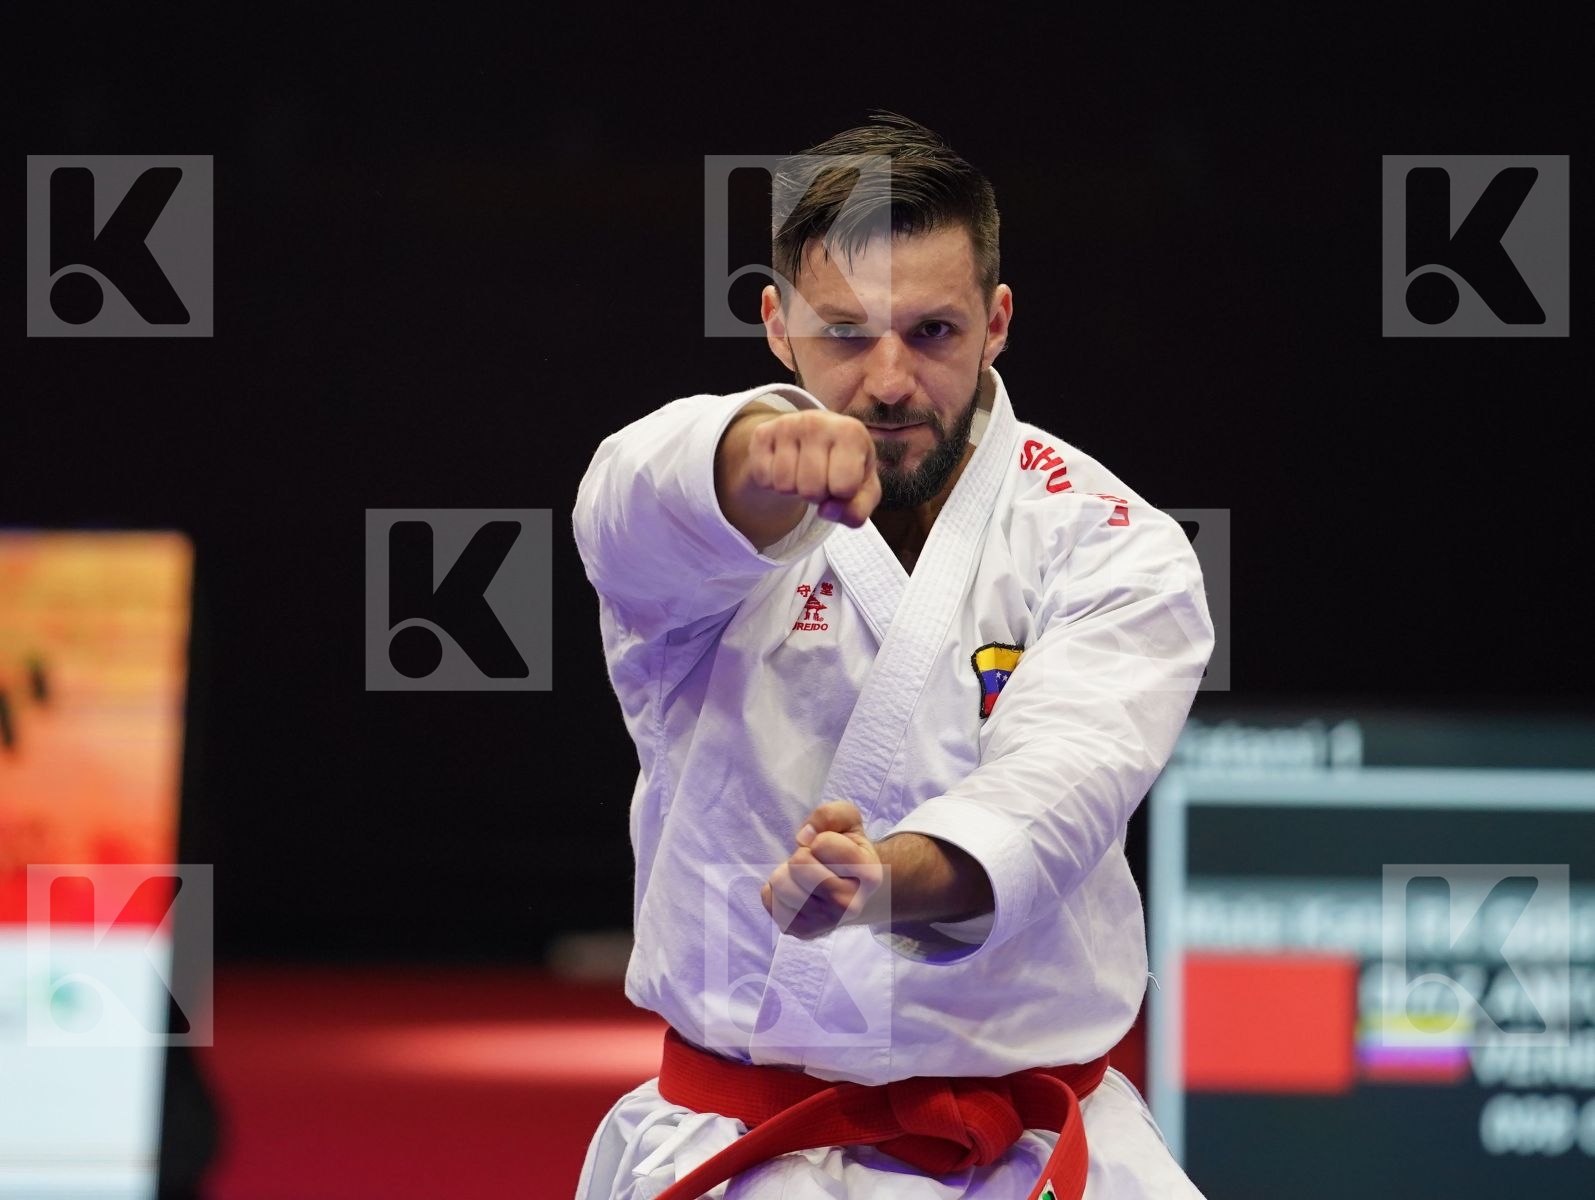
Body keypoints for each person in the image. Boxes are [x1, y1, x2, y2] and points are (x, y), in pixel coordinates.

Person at [572, 112, 1213, 1199]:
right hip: (746, 1141)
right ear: (775, 326)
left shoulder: (1112, 541)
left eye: (930, 333)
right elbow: (623, 509)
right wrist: (743, 457)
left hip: (1033, 1148)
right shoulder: (706, 517)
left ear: (996, 322)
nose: (886, 381)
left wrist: (882, 884)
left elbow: (1058, 789)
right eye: (842, 335)